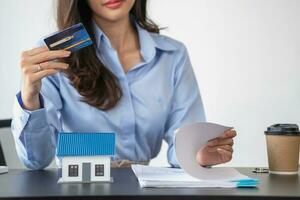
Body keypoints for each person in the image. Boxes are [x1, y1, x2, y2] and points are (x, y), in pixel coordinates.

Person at [11, 0, 236, 169]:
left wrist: (196, 155)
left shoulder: (172, 55)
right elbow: (36, 161)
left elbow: (184, 142)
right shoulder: (55, 52)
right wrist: (30, 97)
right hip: (78, 189)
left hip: (143, 189)